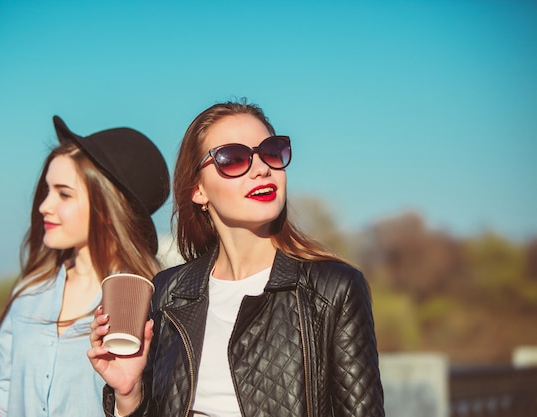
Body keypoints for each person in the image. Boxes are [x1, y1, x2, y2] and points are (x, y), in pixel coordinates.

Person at [88, 100, 384, 417]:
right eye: (233, 159)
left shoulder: (333, 289)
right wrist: (129, 393)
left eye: (271, 151)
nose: (262, 169)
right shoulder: (167, 292)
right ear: (198, 190)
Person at [0, 115, 170, 417]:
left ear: (108, 210)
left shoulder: (151, 304)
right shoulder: (29, 293)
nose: (44, 205)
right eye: (47, 191)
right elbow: (2, 411)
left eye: (63, 194)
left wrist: (127, 396)